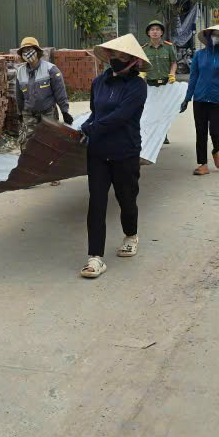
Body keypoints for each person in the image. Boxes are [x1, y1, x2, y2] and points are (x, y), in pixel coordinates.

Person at [78, 34, 149, 279]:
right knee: (96, 202)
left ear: (133, 60)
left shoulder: (138, 86)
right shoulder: (99, 83)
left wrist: (91, 128)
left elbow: (121, 116)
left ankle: (131, 235)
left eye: (122, 56)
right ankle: (95, 257)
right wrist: (83, 128)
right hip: (98, 152)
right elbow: (95, 114)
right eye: (114, 55)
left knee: (126, 199)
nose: (116, 59)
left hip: (125, 151)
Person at [179, 24, 219, 176]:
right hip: (199, 99)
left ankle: (215, 150)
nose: (216, 37)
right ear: (208, 36)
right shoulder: (199, 55)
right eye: (214, 34)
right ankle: (203, 164)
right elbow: (193, 78)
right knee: (200, 133)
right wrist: (187, 98)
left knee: (216, 130)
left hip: (217, 100)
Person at [15, 37, 73, 185]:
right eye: (24, 51)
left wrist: (65, 111)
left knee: (50, 143)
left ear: (38, 52)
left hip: (48, 112)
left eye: (30, 50)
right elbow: (19, 94)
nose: (28, 53)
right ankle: (29, 176)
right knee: (27, 144)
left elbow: (60, 92)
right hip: (29, 113)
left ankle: (53, 175)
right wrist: (19, 113)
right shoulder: (20, 72)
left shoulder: (50, 69)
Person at [142, 19, 177, 144]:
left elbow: (173, 63)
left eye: (157, 29)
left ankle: (163, 134)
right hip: (151, 83)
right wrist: (142, 73)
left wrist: (172, 74)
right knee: (152, 110)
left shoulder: (168, 47)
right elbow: (141, 65)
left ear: (161, 32)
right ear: (148, 33)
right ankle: (154, 134)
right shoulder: (144, 49)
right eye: (152, 30)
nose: (155, 32)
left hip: (166, 83)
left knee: (164, 110)